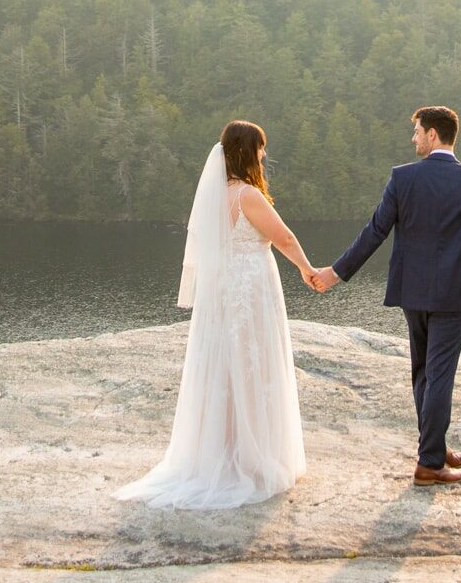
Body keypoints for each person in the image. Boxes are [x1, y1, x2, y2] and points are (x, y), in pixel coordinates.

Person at [113, 120, 316, 509]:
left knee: (225, 367)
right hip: (251, 290)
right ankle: (254, 457)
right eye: (260, 147)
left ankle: (224, 451)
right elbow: (284, 238)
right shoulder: (248, 196)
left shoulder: (213, 196)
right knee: (254, 367)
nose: (264, 154)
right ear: (246, 151)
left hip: (223, 292)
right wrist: (307, 269)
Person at [311, 105, 461, 486]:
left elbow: (375, 231)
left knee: (424, 372)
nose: (412, 138)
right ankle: (430, 462)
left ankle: (435, 446)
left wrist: (336, 272)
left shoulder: (402, 178)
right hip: (453, 295)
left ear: (433, 134)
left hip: (412, 291)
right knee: (439, 374)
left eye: (416, 131)